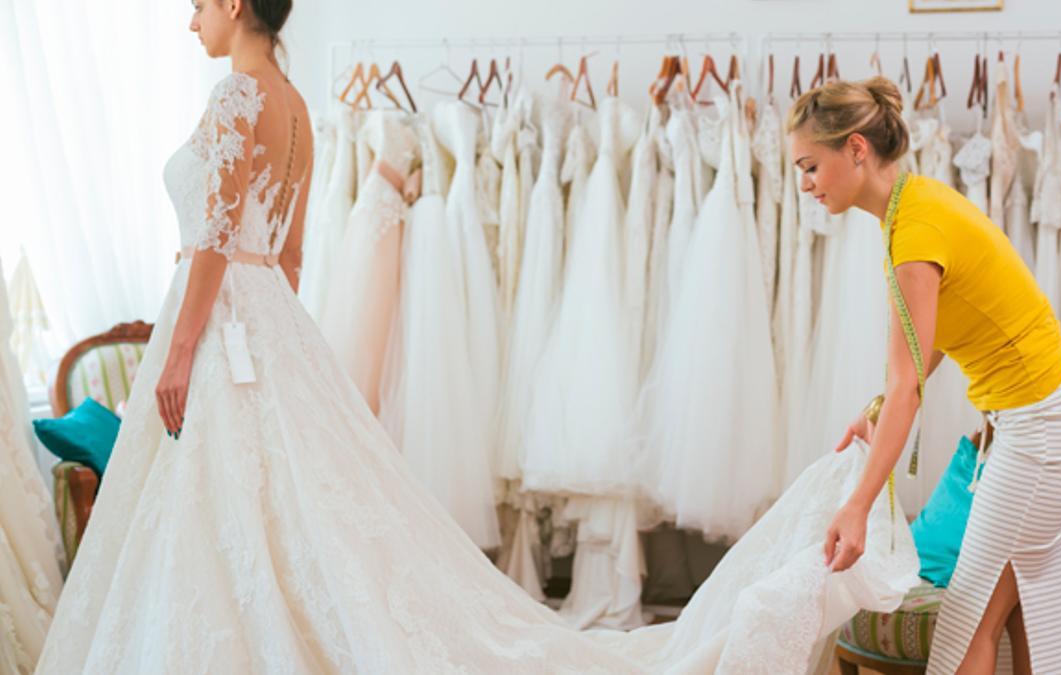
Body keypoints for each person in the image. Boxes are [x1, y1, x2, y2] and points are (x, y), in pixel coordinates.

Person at [35, 3, 917, 673]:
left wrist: (185, 346)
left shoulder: (235, 93)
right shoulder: (297, 106)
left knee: (226, 507)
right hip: (269, 324)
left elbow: (218, 239)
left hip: (223, 321)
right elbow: (291, 255)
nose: (190, 19)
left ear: (234, 4)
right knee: (288, 508)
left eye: (197, 3)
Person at [787, 77, 1061, 675]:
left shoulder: (913, 232)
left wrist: (858, 506)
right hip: (1059, 419)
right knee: (1029, 612)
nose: (804, 184)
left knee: (968, 621)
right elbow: (926, 346)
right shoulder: (916, 204)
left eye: (810, 166)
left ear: (855, 150)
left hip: (1047, 430)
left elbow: (911, 385)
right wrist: (880, 404)